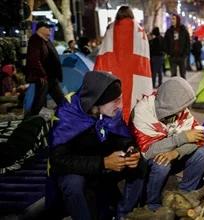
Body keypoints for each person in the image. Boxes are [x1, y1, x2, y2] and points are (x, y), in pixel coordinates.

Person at [48, 71, 145, 220]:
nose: (119, 105)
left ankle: (123, 212)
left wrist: (131, 149)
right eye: (115, 101)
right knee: (73, 183)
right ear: (97, 100)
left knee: (139, 164)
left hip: (101, 166)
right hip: (75, 169)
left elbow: (122, 137)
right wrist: (103, 163)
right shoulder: (67, 116)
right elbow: (59, 161)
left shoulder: (107, 112)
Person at [132, 77, 204, 211]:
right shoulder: (143, 113)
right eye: (181, 107)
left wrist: (176, 152)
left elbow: (198, 140)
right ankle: (152, 204)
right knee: (162, 163)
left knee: (203, 153)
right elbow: (148, 152)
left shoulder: (180, 111)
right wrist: (181, 138)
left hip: (173, 154)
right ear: (169, 104)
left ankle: (183, 197)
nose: (184, 111)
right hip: (148, 161)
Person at [94, 5, 152, 122]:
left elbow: (103, 54)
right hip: (136, 75)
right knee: (133, 104)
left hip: (113, 74)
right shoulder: (140, 31)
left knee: (115, 101)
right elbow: (144, 59)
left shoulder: (110, 29)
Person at [24, 21, 65, 116]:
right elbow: (34, 59)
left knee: (61, 100)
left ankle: (68, 117)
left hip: (52, 77)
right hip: (44, 77)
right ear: (40, 29)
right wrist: (42, 74)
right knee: (39, 102)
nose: (49, 29)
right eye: (47, 27)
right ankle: (32, 121)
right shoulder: (35, 40)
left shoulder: (46, 40)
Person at [164, 14, 191, 79]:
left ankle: (184, 89)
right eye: (172, 19)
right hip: (172, 56)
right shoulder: (169, 31)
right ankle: (174, 89)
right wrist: (168, 53)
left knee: (183, 75)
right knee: (173, 76)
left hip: (182, 56)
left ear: (177, 20)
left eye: (174, 19)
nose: (172, 20)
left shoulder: (183, 31)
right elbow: (165, 43)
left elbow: (188, 43)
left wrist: (185, 53)